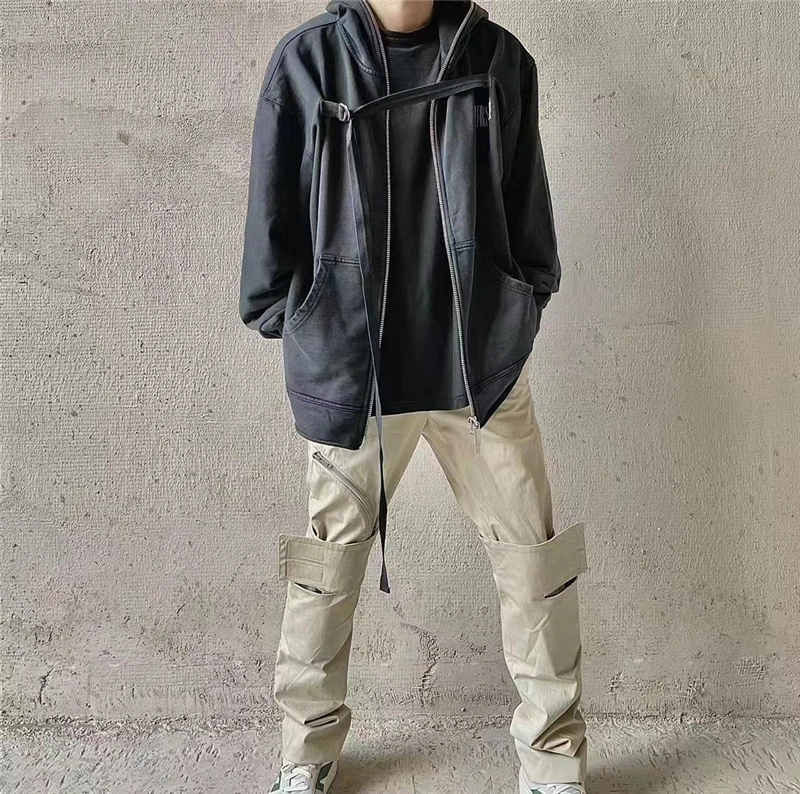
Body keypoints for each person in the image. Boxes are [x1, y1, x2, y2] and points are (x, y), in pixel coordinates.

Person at [239, 1, 590, 792]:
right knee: (327, 568)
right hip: (355, 370)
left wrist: (524, 297)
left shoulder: (499, 59)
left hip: (480, 369)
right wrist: (295, 316)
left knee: (534, 561)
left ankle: (553, 762)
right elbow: (273, 204)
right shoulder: (309, 62)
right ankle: (306, 755)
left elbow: (526, 199)